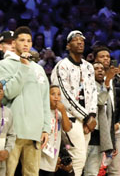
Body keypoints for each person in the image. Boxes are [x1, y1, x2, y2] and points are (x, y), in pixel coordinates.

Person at [0, 26, 51, 176]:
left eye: (28, 41)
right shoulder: (3, 65)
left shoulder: (39, 69)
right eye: (22, 40)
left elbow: (44, 100)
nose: (25, 44)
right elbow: (9, 92)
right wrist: (23, 66)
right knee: (7, 173)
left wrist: (46, 128)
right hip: (12, 131)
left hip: (35, 131)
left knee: (32, 174)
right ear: (14, 43)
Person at [51, 30, 98, 176]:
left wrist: (92, 115)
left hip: (87, 119)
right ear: (67, 46)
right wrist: (86, 117)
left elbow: (93, 92)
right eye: (75, 40)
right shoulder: (61, 66)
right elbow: (64, 95)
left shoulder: (89, 67)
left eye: (82, 40)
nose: (79, 42)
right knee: (78, 157)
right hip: (69, 117)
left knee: (80, 159)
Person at [92, 46, 120, 176]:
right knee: (94, 167)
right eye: (102, 56)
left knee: (114, 169)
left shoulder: (117, 80)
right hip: (97, 126)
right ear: (95, 60)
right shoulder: (90, 78)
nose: (106, 59)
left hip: (114, 127)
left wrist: (119, 122)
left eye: (108, 56)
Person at [84, 62, 116, 176]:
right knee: (77, 169)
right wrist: (107, 82)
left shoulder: (106, 88)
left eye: (102, 68)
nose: (100, 70)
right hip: (85, 131)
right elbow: (100, 101)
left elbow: (109, 116)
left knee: (92, 172)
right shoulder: (85, 86)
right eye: (96, 68)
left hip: (98, 134)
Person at [40, 85, 73, 175]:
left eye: (58, 94)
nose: (56, 97)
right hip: (40, 156)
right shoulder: (42, 111)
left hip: (52, 158)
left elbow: (67, 128)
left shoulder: (59, 113)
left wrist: (63, 111)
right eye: (53, 94)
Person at [0, 86, 16, 176]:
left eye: (0, 89)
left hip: (1, 159)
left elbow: (12, 135)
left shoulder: (8, 112)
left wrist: (7, 150)